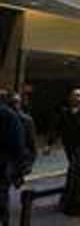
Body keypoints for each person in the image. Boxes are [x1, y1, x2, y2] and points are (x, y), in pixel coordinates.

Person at [0, 90, 25, 226]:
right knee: (2, 196)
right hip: (4, 164)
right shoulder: (11, 116)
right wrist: (19, 171)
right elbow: (18, 146)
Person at [55, 88, 80, 165]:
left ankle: (73, 176)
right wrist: (49, 144)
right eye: (73, 95)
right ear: (70, 97)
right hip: (68, 143)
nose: (75, 98)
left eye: (78, 96)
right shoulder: (65, 112)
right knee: (72, 162)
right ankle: (77, 175)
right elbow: (58, 127)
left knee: (75, 162)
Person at [8, 93, 37, 176]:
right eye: (11, 103)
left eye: (16, 102)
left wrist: (28, 165)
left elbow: (32, 145)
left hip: (19, 160)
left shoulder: (27, 121)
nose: (14, 105)